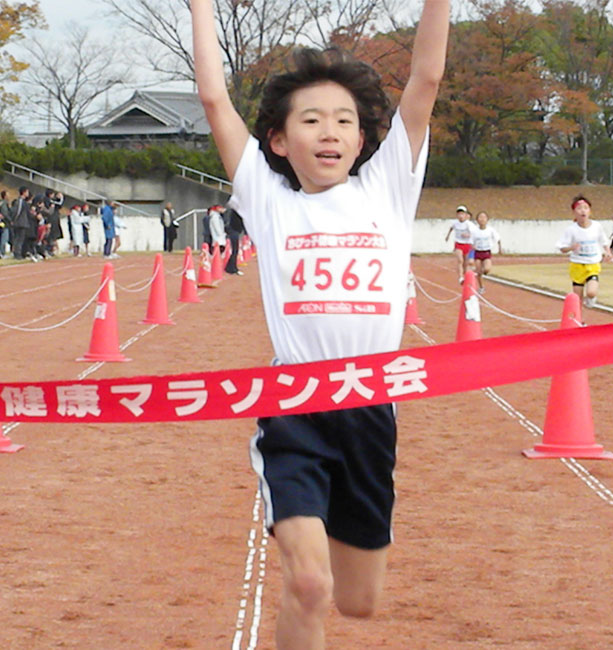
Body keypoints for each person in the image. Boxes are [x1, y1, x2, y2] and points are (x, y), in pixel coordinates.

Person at [192, 0, 450, 646]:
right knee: (309, 585)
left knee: (358, 602)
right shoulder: (267, 197)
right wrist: (201, 7)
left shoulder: (388, 189)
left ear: (364, 139)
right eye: (311, 120)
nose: (330, 132)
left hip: (369, 411)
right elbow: (214, 100)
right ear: (280, 140)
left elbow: (425, 81)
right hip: (296, 408)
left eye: (343, 120)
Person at [556, 195, 613, 309]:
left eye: (586, 208)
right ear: (574, 212)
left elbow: (604, 240)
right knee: (577, 300)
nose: (583, 210)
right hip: (577, 265)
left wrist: (608, 252)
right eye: (579, 208)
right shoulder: (571, 230)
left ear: (590, 211)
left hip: (592, 264)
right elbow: (562, 248)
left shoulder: (596, 226)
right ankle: (579, 322)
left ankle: (591, 298)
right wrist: (571, 247)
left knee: (591, 292)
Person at [469, 210, 501, 293]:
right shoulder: (475, 231)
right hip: (478, 252)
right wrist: (471, 256)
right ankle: (481, 287)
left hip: (486, 252)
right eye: (480, 217)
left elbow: (498, 239)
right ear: (477, 220)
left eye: (484, 217)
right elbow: (471, 243)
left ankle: (483, 271)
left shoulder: (490, 230)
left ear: (487, 219)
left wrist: (499, 249)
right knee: (479, 272)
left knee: (487, 269)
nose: (482, 219)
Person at [444, 205, 473, 283]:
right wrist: (447, 236)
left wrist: (468, 235)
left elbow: (475, 233)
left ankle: (465, 274)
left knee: (466, 262)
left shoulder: (469, 224)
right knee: (460, 260)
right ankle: (460, 277)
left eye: (462, 214)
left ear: (466, 215)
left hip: (467, 244)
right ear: (457, 215)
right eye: (459, 214)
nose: (461, 216)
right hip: (458, 244)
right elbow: (451, 228)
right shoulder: (455, 223)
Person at [10, 186, 31, 260]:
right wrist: (13, 220)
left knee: (19, 239)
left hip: (22, 223)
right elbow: (17, 211)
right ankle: (17, 253)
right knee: (19, 238)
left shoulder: (23, 201)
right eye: (27, 192)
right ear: (24, 192)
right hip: (20, 223)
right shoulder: (20, 201)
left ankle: (18, 253)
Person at [224, 206, 245, 274]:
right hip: (234, 231)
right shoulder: (236, 213)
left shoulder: (234, 212)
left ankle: (230, 267)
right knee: (235, 250)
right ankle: (232, 268)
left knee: (235, 250)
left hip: (234, 231)